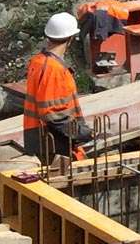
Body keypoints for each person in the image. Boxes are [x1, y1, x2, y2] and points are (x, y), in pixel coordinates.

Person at [22, 12, 90, 164]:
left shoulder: (38, 61)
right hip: (52, 142)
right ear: (71, 39)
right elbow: (53, 114)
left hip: (38, 137)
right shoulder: (53, 69)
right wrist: (81, 133)